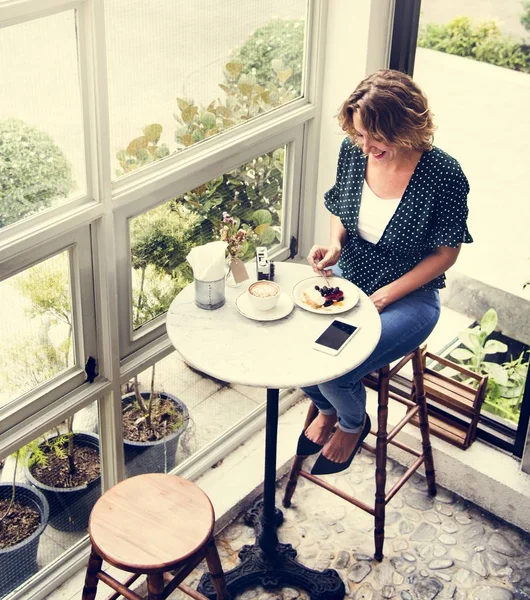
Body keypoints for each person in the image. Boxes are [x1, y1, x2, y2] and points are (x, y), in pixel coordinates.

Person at [299, 69, 472, 476]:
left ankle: (353, 424)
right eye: (359, 135)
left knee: (336, 369)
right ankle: (326, 410)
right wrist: (336, 242)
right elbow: (339, 206)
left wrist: (385, 296)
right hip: (349, 283)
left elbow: (447, 253)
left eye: (375, 137)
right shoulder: (354, 151)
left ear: (406, 127)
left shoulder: (444, 175)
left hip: (409, 299)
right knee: (303, 355)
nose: (365, 146)